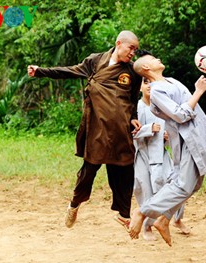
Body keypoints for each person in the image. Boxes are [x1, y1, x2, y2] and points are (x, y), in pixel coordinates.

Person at [27, 31, 142, 236]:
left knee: (124, 170)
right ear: (118, 44)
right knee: (89, 171)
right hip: (97, 128)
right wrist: (41, 71)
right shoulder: (95, 61)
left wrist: (134, 116)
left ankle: (124, 214)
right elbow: (70, 71)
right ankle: (75, 203)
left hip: (121, 130)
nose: (133, 52)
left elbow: (133, 100)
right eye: (130, 48)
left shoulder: (133, 72)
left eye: (135, 49)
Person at [129, 54, 206, 246]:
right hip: (187, 141)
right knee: (183, 185)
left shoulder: (171, 81)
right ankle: (142, 212)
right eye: (154, 59)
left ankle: (164, 219)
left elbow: (188, 106)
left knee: (194, 183)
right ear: (147, 67)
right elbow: (180, 115)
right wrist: (198, 91)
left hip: (198, 135)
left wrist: (203, 118)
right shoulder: (156, 92)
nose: (158, 59)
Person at [133, 77, 191, 241]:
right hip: (143, 156)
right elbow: (129, 133)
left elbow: (174, 128)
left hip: (161, 155)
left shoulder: (162, 105)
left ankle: (177, 219)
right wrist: (148, 129)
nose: (150, 86)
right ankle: (148, 226)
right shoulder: (136, 108)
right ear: (139, 88)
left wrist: (166, 137)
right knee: (145, 191)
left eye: (152, 82)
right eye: (145, 83)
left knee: (176, 185)